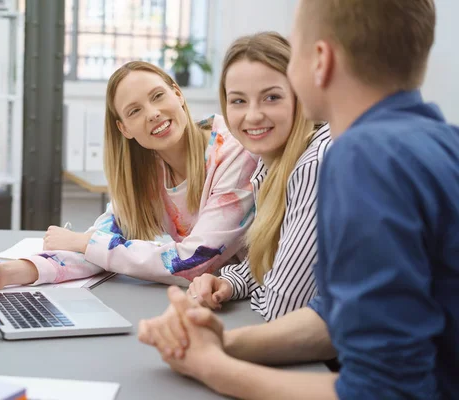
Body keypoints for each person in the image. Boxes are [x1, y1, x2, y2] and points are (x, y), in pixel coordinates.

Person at [139, 0, 459, 398]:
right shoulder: (443, 141)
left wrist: (211, 366)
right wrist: (223, 342)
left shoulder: (361, 156)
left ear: (319, 60)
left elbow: (383, 391)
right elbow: (335, 314)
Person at [0, 61, 258, 296]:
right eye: (135, 110)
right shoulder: (149, 172)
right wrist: (9, 273)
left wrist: (86, 241)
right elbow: (97, 247)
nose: (152, 113)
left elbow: (195, 262)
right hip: (211, 300)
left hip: (259, 302)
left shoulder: (234, 155)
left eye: (158, 96)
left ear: (178, 95)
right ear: (124, 128)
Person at [186, 32, 330, 322]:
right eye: (238, 101)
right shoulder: (274, 161)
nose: (252, 116)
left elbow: (284, 309)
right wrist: (229, 281)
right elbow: (274, 260)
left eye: (272, 97)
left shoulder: (317, 163)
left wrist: (261, 287)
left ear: (300, 96)